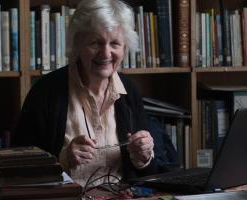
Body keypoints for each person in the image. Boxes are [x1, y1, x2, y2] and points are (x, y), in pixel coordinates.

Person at [13, 0, 158, 187]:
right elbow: (18, 169)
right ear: (77, 43)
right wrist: (62, 159)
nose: (106, 53)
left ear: (125, 47)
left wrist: (144, 157)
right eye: (95, 43)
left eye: (115, 43)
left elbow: (148, 173)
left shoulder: (130, 92)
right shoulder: (45, 92)